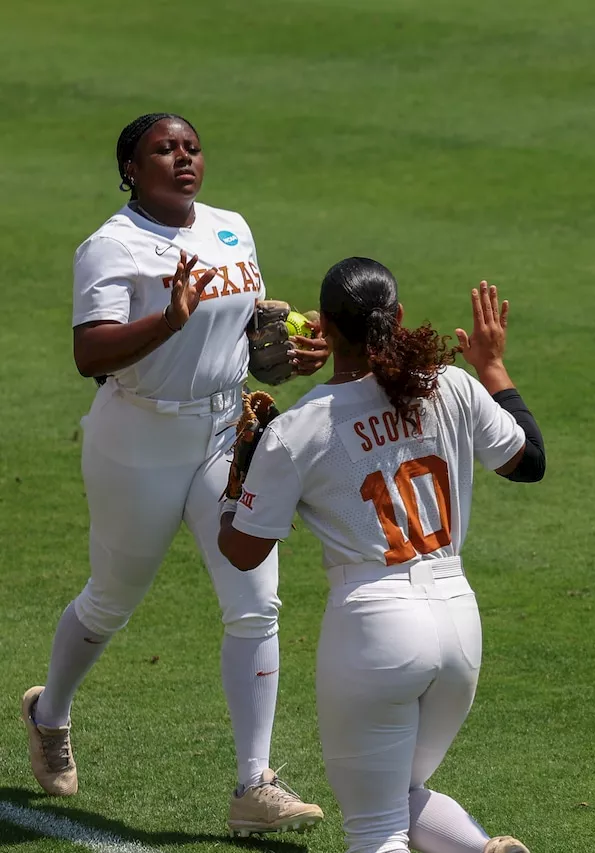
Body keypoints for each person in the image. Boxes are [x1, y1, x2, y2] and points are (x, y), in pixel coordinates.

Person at [22, 112, 327, 834]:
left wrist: (289, 356)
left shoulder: (231, 226)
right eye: (164, 149)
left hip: (224, 432)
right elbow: (90, 355)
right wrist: (168, 321)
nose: (183, 158)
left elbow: (254, 341)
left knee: (256, 601)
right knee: (112, 599)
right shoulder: (110, 247)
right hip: (140, 436)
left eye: (191, 147)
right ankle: (49, 711)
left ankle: (256, 784)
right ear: (131, 167)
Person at [217, 259, 544, 853]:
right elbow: (530, 462)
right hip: (459, 625)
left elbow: (241, 551)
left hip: (374, 630)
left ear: (325, 330)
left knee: (376, 830)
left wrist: (237, 479)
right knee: (400, 788)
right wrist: (493, 366)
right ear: (394, 317)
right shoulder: (451, 383)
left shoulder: (299, 427)